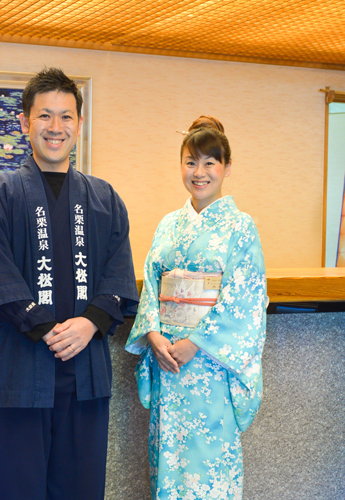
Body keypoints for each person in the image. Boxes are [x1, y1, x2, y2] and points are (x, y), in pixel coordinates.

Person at [0, 67, 139, 500]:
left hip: (87, 375)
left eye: (66, 116)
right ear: (25, 122)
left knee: (82, 489)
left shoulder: (105, 198)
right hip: (23, 372)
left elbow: (119, 272)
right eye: (44, 116)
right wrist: (44, 326)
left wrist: (89, 323)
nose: (55, 127)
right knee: (17, 488)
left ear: (79, 124)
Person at [125, 117, 268, 499]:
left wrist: (197, 343)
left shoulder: (240, 226)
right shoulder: (168, 225)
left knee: (209, 464)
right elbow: (152, 282)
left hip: (210, 364)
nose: (199, 172)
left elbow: (246, 297)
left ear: (226, 167)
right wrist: (153, 333)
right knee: (167, 462)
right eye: (191, 162)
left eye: (210, 162)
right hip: (168, 361)